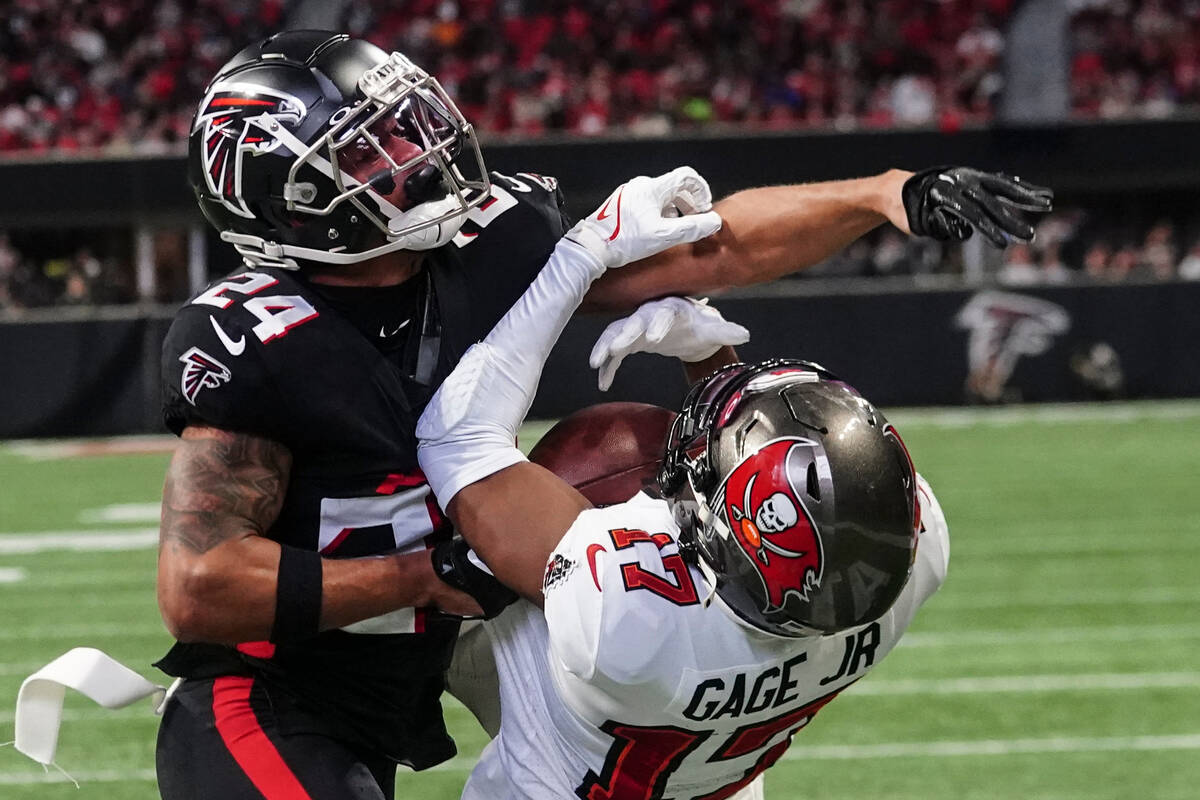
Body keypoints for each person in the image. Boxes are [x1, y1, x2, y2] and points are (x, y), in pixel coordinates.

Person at [154, 29, 1044, 800]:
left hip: (469, 625)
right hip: (292, 679)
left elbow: (713, 248)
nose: (416, 155)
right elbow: (199, 588)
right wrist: (417, 576)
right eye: (367, 153)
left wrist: (883, 193)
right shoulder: (258, 340)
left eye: (406, 126)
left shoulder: (486, 243)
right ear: (290, 203)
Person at [415, 171, 949, 799]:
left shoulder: (623, 620)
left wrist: (584, 254)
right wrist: (708, 362)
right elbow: (762, 526)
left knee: (447, 553)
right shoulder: (905, 566)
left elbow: (457, 436)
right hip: (704, 774)